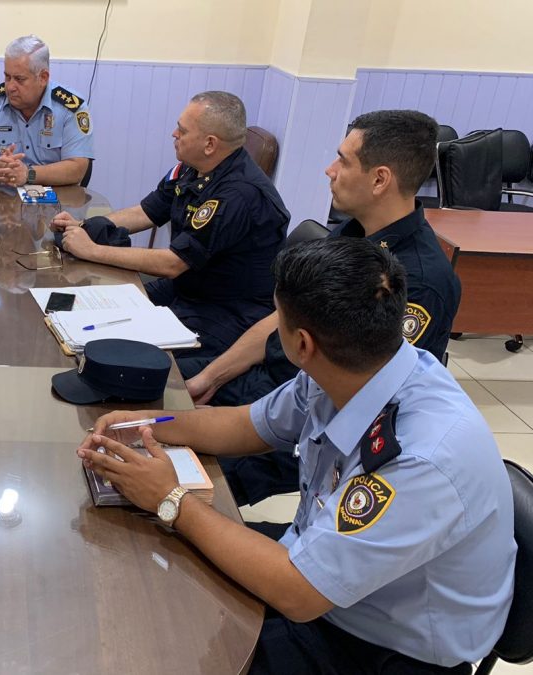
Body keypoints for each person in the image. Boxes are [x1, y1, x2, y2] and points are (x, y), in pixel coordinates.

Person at [78, 237, 514, 674]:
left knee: (170, 644)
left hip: (379, 647)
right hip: (325, 574)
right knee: (155, 565)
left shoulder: (421, 458)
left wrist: (170, 498)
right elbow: (246, 425)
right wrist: (147, 424)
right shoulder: (355, 366)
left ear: (301, 343)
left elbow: (298, 593)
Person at [178, 110, 462, 506]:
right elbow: (284, 316)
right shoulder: (353, 232)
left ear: (380, 179)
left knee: (178, 492)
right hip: (276, 388)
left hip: (306, 422)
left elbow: (360, 400)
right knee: (159, 385)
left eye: (343, 161)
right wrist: (212, 375)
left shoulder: (419, 281)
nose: (330, 170)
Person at [51, 91, 289, 358]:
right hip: (188, 288)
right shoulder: (193, 167)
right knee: (95, 314)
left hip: (223, 311)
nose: (174, 134)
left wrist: (91, 251)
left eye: (182, 130)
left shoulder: (238, 195)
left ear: (209, 144)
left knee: (126, 356)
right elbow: (146, 212)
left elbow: (173, 263)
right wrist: (84, 226)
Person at [0, 35, 94, 187]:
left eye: (19, 79)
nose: (10, 87)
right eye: (7, 77)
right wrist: (0, 169)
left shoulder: (71, 108)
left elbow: (77, 168)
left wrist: (28, 174)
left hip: (55, 203)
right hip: (0, 201)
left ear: (43, 77)